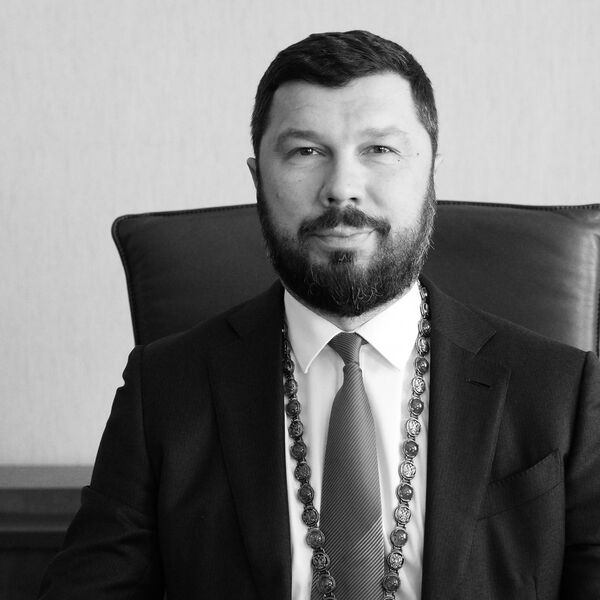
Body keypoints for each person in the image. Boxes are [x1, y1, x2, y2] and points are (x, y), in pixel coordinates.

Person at [39, 30, 600, 600]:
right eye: (306, 152)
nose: (341, 189)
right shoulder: (162, 391)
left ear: (431, 172)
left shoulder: (562, 391)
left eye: (380, 149)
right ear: (258, 180)